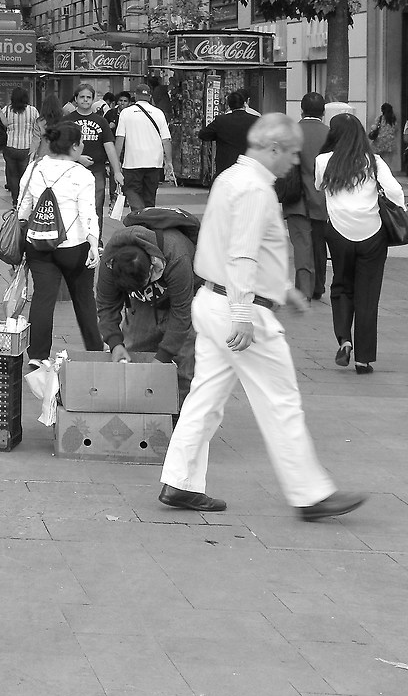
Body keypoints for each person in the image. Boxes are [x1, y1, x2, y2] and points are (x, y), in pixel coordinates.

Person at [158, 113, 366, 521]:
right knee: (281, 401)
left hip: (214, 299)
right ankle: (309, 493)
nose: (293, 162)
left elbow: (237, 247)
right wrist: (242, 313)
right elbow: (242, 253)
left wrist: (281, 289)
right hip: (241, 308)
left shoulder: (231, 179)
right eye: (290, 153)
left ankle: (179, 482)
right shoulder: (255, 189)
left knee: (205, 399)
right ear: (273, 148)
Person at [315, 113, 405, 375]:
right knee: (368, 295)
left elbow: (319, 186)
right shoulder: (373, 161)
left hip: (339, 233)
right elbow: (396, 192)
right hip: (372, 234)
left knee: (342, 286)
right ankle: (364, 359)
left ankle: (344, 339)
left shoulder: (323, 161)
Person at [17, 122, 102, 365]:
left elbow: (23, 209)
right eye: (81, 142)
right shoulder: (82, 175)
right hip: (74, 246)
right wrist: (93, 244)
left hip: (38, 244)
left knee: (43, 297)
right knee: (84, 297)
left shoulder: (34, 168)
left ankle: (38, 356)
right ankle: (95, 350)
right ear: (74, 147)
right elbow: (88, 213)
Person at [97, 220, 197, 402]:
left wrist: (163, 357)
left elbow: (182, 313)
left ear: (152, 267)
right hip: (143, 304)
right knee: (133, 354)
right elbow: (106, 304)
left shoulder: (176, 255)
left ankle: (179, 419)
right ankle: (138, 412)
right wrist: (115, 343)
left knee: (183, 366)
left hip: (184, 297)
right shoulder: (110, 260)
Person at [285, 93, 329, 299]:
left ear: (301, 110)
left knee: (302, 244)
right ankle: (319, 285)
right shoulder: (330, 134)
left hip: (296, 198)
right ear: (323, 111)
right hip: (323, 198)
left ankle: (304, 289)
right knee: (320, 245)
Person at [68, 83, 122, 229]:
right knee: (72, 207)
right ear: (76, 99)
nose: (85, 100)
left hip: (97, 171)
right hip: (72, 171)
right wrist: (78, 158)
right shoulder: (68, 120)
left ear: (93, 99)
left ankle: (96, 240)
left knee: (96, 206)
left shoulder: (101, 121)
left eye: (88, 97)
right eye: (82, 97)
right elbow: (60, 146)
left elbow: (110, 147)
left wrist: (117, 172)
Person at [114, 81, 172, 211]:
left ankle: (138, 217)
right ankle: (148, 222)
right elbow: (166, 140)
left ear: (135, 96)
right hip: (154, 163)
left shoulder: (126, 113)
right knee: (150, 198)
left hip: (132, 163)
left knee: (132, 192)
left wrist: (115, 160)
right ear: (150, 97)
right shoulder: (158, 113)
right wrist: (169, 161)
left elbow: (120, 139)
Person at [198, 90, 259, 178]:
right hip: (248, 165)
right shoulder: (255, 120)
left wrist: (218, 135)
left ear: (229, 105)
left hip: (226, 167)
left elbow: (203, 134)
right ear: (244, 103)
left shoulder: (221, 120)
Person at [1, 87, 40, 203]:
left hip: (10, 146)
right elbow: (37, 127)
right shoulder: (33, 111)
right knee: (25, 175)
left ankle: (15, 200)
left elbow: (1, 123)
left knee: (12, 175)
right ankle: (24, 200)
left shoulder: (7, 110)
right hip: (26, 148)